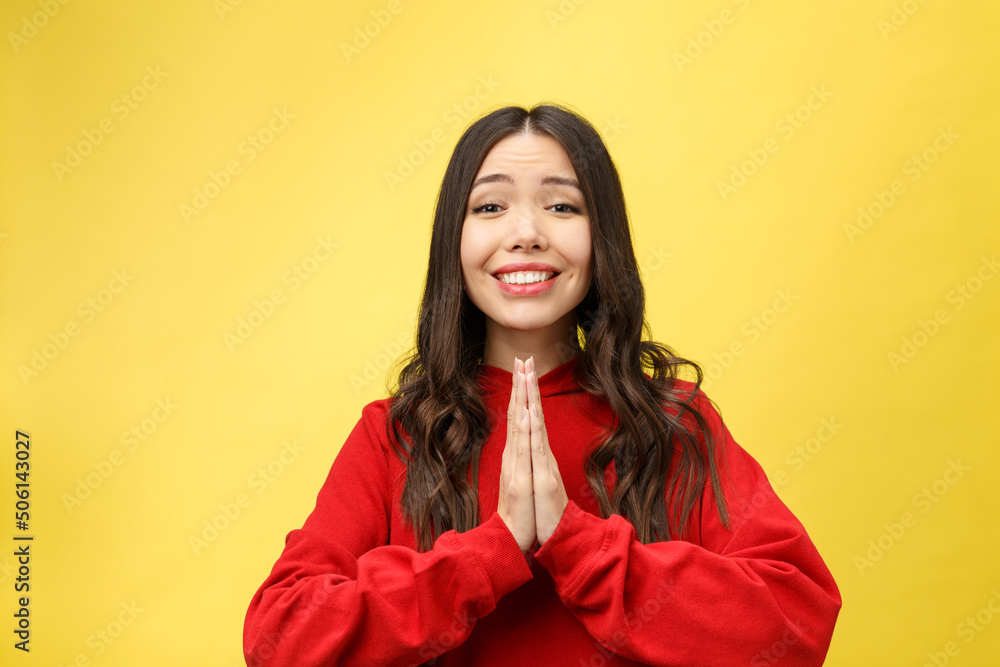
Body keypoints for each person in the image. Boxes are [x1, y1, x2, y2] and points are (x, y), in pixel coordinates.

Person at [243, 103, 842, 666]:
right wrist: (491, 552)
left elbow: (796, 622)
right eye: (489, 207)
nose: (526, 233)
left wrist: (577, 543)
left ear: (601, 239)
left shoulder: (674, 422)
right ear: (454, 241)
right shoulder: (394, 434)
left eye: (562, 207)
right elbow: (281, 639)